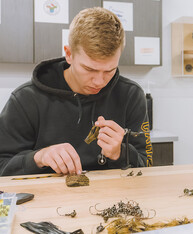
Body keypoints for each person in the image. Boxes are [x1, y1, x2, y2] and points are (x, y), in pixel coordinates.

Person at [0, 7, 152, 176]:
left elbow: (147, 165)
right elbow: (2, 165)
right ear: (69, 54)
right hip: (47, 199)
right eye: (89, 69)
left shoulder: (131, 96)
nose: (99, 81)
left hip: (114, 198)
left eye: (110, 70)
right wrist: (38, 157)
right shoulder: (25, 99)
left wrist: (121, 153)